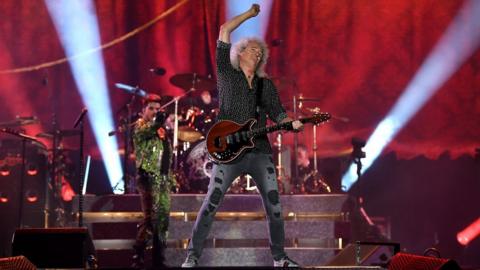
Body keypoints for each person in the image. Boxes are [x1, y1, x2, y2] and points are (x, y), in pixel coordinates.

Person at [182, 4, 303, 268]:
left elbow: (278, 113)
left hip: (259, 151)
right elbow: (224, 29)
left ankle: (279, 258)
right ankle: (192, 256)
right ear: (240, 53)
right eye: (252, 48)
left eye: (261, 51)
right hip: (228, 152)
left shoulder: (266, 86)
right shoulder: (227, 74)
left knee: (274, 205)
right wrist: (249, 15)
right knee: (211, 202)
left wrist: (289, 123)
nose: (258, 52)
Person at [131, 94, 176, 268]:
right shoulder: (140, 126)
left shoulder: (161, 130)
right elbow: (148, 130)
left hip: (163, 179)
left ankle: (159, 259)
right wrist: (159, 120)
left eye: (158, 109)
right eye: (151, 108)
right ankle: (138, 256)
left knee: (163, 220)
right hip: (148, 176)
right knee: (150, 218)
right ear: (143, 110)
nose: (155, 111)